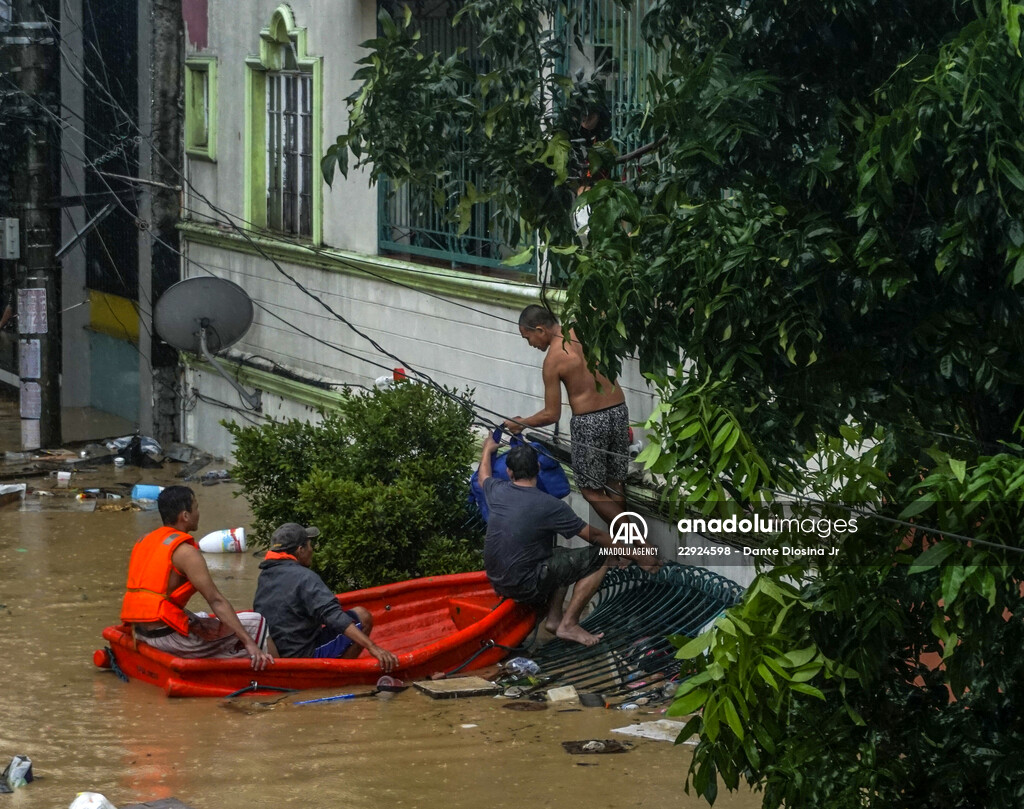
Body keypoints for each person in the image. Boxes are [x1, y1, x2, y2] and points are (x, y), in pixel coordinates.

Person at [480, 433, 634, 647]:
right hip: (525, 583)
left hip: (497, 580)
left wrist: (487, 449)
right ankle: (569, 624)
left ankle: (554, 619)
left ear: (509, 472)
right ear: (538, 469)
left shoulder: (497, 491)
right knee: (604, 553)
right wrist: (638, 554)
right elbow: (596, 536)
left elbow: (483, 476)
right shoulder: (550, 505)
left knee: (561, 555)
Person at [120, 486, 274, 669]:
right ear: (185, 515)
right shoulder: (186, 553)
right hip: (166, 638)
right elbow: (216, 601)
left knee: (200, 618)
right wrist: (249, 642)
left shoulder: (144, 540)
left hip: (139, 632)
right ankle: (283, 675)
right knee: (257, 622)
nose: (199, 513)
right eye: (196, 507)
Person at [504, 304, 630, 529]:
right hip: (619, 409)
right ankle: (623, 550)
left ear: (540, 330)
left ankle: (639, 547)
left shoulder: (553, 360)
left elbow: (552, 414)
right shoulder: (582, 328)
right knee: (614, 481)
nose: (531, 345)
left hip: (590, 422)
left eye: (528, 338)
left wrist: (520, 423)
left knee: (591, 490)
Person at [253, 523, 399, 670]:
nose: (312, 549)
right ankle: (341, 674)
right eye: (310, 545)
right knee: (363, 616)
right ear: (300, 550)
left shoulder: (265, 576)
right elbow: (334, 616)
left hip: (277, 652)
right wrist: (372, 646)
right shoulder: (305, 577)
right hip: (303, 655)